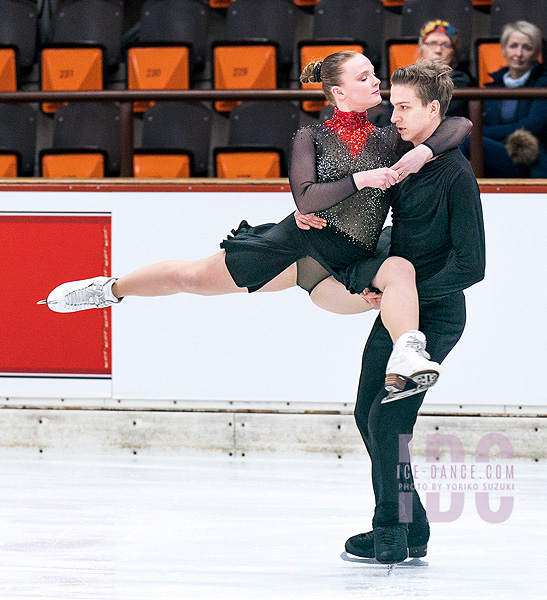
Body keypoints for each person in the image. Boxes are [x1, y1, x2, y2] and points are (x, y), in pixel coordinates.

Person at [39, 51, 471, 397]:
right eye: (365, 78)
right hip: (293, 245)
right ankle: (107, 289)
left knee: (395, 276)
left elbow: (459, 124)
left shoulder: (391, 137)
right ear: (338, 93)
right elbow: (306, 197)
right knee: (191, 277)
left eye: (374, 74)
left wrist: (421, 153)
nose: (376, 82)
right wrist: (364, 178)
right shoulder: (311, 137)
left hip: (346, 255)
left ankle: (409, 356)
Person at [296, 61, 485, 563]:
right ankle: (414, 525)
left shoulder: (456, 176)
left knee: (387, 421)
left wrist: (410, 293)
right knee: (368, 413)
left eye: (404, 108)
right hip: (401, 310)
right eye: (393, 105)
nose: (393, 116)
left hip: (438, 316)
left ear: (433, 112)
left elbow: (473, 265)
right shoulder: (400, 155)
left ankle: (389, 534)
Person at [463, 20, 547, 178]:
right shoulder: (494, 85)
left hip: (531, 162)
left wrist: (479, 132)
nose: (519, 54)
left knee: (468, 141)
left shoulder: (543, 82)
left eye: (527, 47)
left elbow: (532, 125)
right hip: (498, 154)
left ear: (536, 53)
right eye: (513, 46)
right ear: (503, 50)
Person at [417, 19, 473, 118]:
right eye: (432, 43)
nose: (438, 50)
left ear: (453, 54)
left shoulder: (461, 82)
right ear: (421, 50)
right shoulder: (407, 79)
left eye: (446, 45)